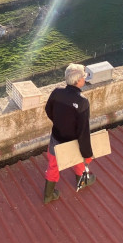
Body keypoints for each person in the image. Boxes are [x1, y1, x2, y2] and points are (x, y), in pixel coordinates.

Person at [43, 63, 96, 204]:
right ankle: (82, 181)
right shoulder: (83, 102)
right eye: (83, 77)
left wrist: (59, 122)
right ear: (78, 81)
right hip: (73, 140)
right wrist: (87, 154)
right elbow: (83, 130)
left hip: (57, 137)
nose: (84, 79)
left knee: (53, 165)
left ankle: (48, 195)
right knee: (78, 158)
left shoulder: (56, 92)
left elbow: (48, 109)